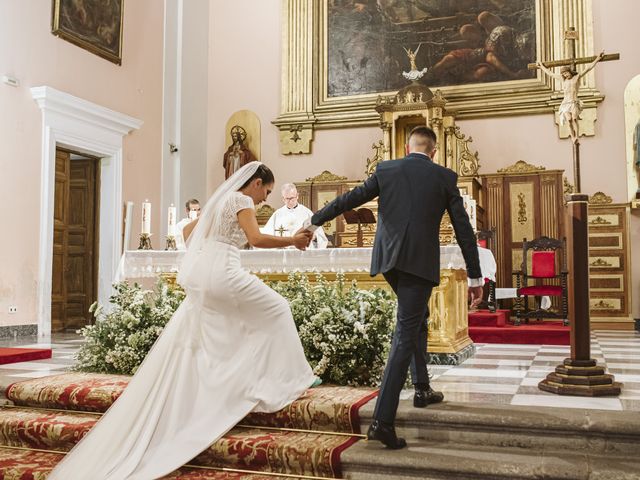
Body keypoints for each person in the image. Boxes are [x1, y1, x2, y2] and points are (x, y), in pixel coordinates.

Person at [49, 162, 318, 479]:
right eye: (266, 192)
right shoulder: (242, 200)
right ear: (257, 183)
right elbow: (256, 239)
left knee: (230, 324)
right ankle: (293, 379)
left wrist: (209, 252)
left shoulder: (221, 200)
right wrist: (292, 241)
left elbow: (188, 233)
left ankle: (241, 376)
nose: (263, 201)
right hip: (224, 272)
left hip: (204, 271)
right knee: (277, 308)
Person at [305, 126, 483, 449]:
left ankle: (422, 388)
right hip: (418, 262)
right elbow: (464, 230)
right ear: (434, 152)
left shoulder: (387, 169)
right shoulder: (444, 177)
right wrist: (475, 276)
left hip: (389, 261)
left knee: (416, 318)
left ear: (406, 146)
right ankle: (382, 421)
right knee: (405, 331)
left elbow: (350, 198)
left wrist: (314, 220)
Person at [536, 51, 605, 143]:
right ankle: (572, 137)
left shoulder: (576, 77)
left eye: (566, 73)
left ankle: (577, 136)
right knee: (568, 120)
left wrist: (598, 58)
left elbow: (588, 68)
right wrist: (541, 66)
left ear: (569, 71)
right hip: (565, 103)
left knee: (574, 118)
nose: (565, 75)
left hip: (573, 102)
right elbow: (550, 73)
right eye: (563, 74)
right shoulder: (562, 79)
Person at [262, 183, 329, 249]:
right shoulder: (277, 214)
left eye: (292, 198)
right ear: (283, 198)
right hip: (283, 255)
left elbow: (321, 238)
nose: (290, 201)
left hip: (302, 254)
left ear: (297, 196)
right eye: (287, 199)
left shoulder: (307, 213)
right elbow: (266, 235)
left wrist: (315, 237)